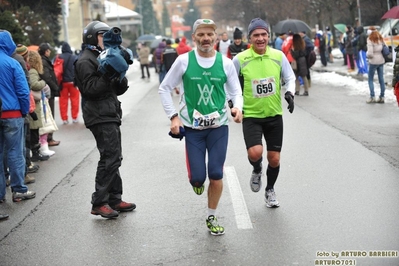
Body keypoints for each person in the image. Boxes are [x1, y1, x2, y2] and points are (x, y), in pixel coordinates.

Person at [159, 18, 243, 235]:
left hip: (218, 127)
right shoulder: (184, 61)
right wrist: (173, 117)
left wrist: (237, 108)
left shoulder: (225, 63)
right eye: (201, 34)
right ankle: (196, 180)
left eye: (210, 34)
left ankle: (211, 216)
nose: (206, 38)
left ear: (215, 37)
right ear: (194, 37)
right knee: (198, 178)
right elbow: (165, 87)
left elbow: (235, 91)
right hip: (193, 130)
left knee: (215, 173)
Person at [74, 21, 136, 219]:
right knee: (110, 157)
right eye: (102, 35)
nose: (106, 39)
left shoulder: (105, 55)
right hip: (98, 114)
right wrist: (108, 72)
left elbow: (118, 89)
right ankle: (99, 202)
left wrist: (120, 72)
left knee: (114, 156)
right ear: (92, 37)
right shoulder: (85, 60)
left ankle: (114, 199)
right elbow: (90, 89)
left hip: (109, 112)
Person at [232, 18, 295, 208]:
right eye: (256, 35)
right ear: (249, 38)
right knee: (255, 152)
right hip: (251, 115)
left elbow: (289, 77)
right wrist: (233, 104)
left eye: (263, 35)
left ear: (268, 36)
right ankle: (257, 168)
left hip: (274, 114)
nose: (260, 39)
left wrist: (290, 92)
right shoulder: (240, 59)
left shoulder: (278, 56)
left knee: (274, 158)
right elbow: (231, 83)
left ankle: (270, 190)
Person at [0, 30, 36, 203]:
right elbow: (23, 91)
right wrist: (24, 111)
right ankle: (18, 189)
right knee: (15, 152)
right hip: (13, 113)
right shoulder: (13, 63)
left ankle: (0, 194)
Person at [38, 43, 60, 146]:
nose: (50, 52)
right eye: (48, 50)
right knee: (49, 115)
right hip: (48, 92)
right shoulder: (44, 62)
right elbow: (47, 77)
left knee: (49, 114)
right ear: (45, 51)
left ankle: (48, 138)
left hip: (48, 91)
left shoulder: (44, 61)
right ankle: (48, 139)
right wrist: (55, 87)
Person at [58, 42, 80, 124]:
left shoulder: (59, 57)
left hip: (63, 83)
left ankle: (64, 119)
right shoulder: (74, 57)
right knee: (75, 100)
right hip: (73, 82)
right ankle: (74, 117)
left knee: (63, 101)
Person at [366, 28, 385, 103]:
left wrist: (367, 54)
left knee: (370, 79)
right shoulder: (380, 38)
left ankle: (372, 96)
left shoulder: (370, 39)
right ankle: (382, 96)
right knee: (381, 79)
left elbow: (370, 53)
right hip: (381, 60)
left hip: (373, 61)